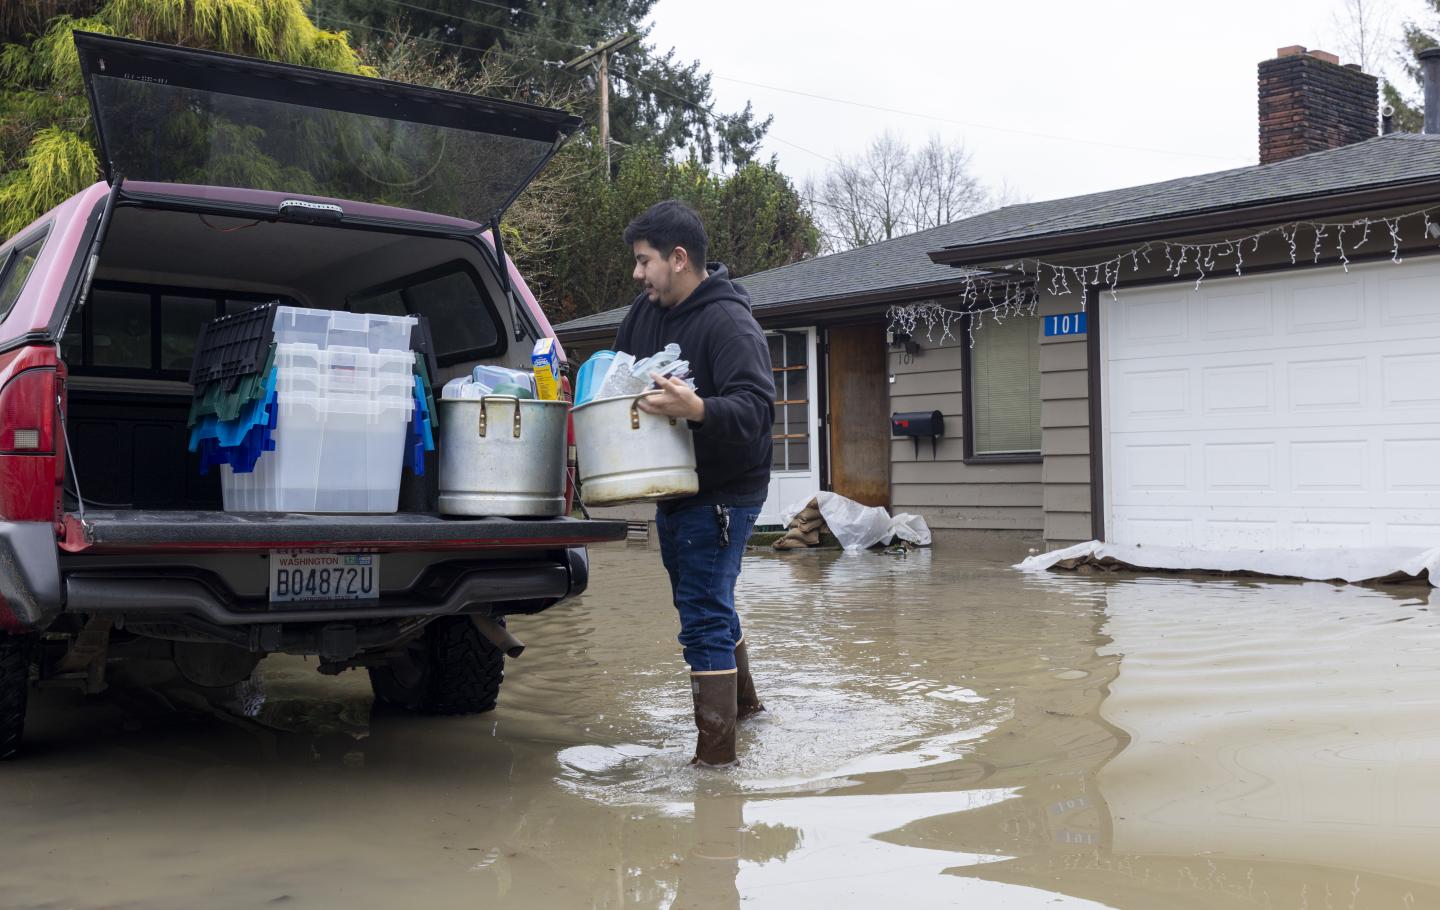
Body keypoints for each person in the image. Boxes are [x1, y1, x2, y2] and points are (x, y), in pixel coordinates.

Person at [614, 200, 775, 767]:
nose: (637, 274)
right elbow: (616, 380)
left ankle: (715, 766)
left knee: (701, 612)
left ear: (678, 258)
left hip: (726, 490)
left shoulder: (730, 322)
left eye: (644, 261)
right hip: (674, 486)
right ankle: (749, 713)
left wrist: (700, 408)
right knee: (707, 598)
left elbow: (757, 412)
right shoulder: (644, 313)